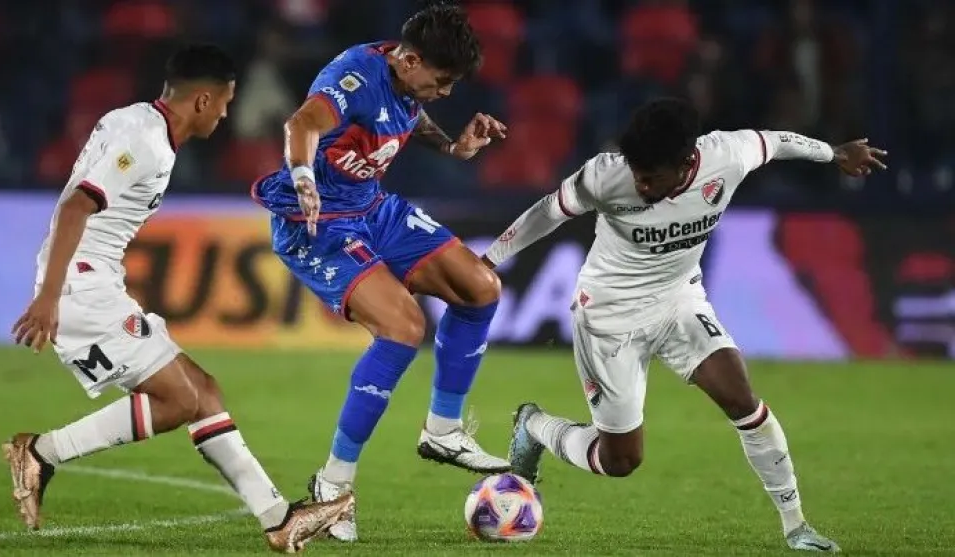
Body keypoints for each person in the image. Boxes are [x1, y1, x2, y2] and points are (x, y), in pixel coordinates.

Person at [487, 98, 887, 553]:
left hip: (678, 300)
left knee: (742, 399)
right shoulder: (605, 174)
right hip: (608, 317)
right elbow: (548, 211)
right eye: (636, 173)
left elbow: (777, 142)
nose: (640, 184)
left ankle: (797, 528)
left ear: (685, 164)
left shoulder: (726, 156)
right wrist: (489, 259)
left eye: (650, 177)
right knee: (621, 461)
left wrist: (834, 153)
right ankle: (535, 426)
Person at [5, 43, 352, 553]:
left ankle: (280, 521)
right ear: (203, 100)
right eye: (226, 103)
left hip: (95, 280)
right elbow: (76, 207)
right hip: (82, 287)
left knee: (203, 392)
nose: (226, 115)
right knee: (181, 400)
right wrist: (51, 297)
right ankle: (41, 452)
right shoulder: (145, 141)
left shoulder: (137, 122)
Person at [250, 1, 510, 542]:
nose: (446, 92)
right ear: (410, 61)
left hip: (372, 207)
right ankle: (333, 486)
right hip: (316, 221)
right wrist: (304, 178)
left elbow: (410, 114)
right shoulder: (355, 77)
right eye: (441, 81)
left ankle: (443, 429)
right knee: (403, 327)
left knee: (480, 288)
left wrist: (453, 147)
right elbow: (302, 123)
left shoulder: (407, 81)